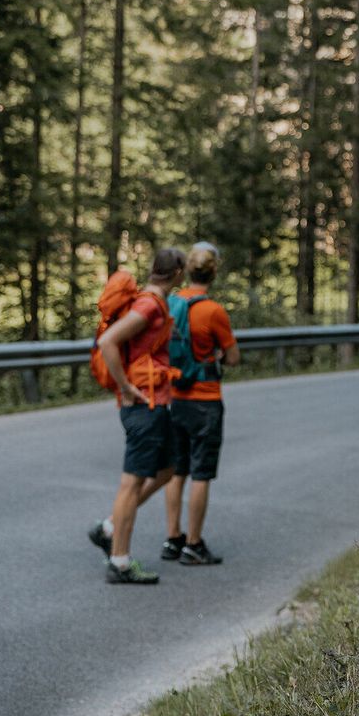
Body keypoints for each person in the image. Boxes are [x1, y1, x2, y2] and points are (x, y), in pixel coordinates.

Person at [88, 247, 186, 584]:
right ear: (177, 273)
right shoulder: (149, 304)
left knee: (169, 467)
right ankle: (120, 562)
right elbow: (109, 342)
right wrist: (126, 387)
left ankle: (109, 527)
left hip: (155, 404)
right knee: (131, 484)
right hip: (143, 405)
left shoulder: (152, 300)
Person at [162, 241, 240, 566]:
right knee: (201, 474)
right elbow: (233, 357)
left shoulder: (170, 303)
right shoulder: (213, 311)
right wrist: (219, 354)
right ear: (213, 272)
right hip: (206, 401)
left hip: (176, 397)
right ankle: (194, 544)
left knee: (177, 471)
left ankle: (173, 538)